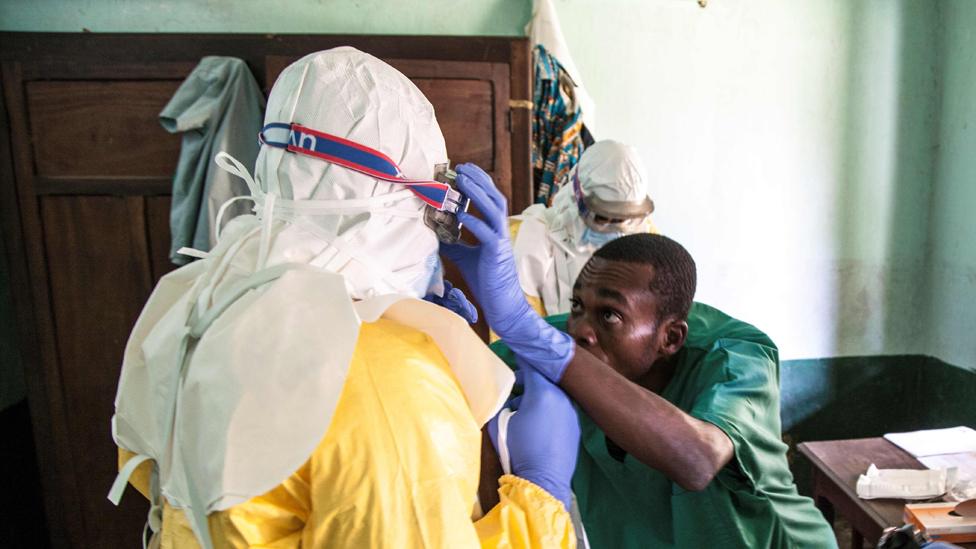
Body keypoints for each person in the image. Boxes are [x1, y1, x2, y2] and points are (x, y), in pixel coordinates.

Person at [109, 47, 578, 549]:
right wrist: (541, 499)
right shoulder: (391, 382)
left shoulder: (194, 297)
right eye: (435, 206)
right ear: (402, 202)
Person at [443, 173, 838, 548]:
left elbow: (698, 460)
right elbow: (471, 374)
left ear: (671, 337)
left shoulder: (735, 356)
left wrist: (525, 328)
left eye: (610, 315)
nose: (581, 328)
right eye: (578, 305)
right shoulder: (577, 340)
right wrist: (443, 330)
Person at [510, 140, 657, 317]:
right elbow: (518, 333)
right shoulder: (531, 241)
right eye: (604, 217)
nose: (617, 230)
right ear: (577, 197)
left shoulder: (647, 233)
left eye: (626, 220)